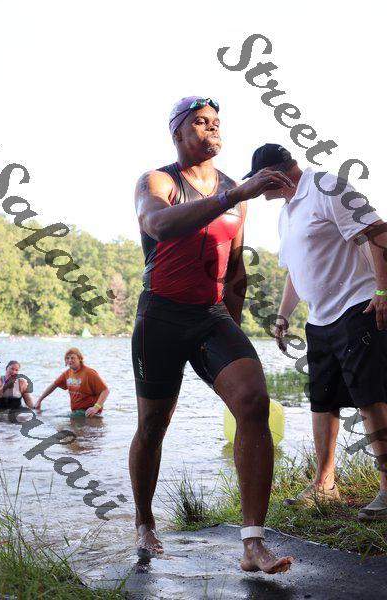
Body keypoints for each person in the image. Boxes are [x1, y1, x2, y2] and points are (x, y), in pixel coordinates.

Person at [130, 96, 295, 574]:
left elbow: (236, 269)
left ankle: (252, 544)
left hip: (211, 316)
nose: (212, 129)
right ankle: (144, 522)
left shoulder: (233, 191)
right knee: (153, 425)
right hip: (160, 316)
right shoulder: (159, 181)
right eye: (201, 123)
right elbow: (158, 224)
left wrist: (232, 334)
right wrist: (232, 197)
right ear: (178, 134)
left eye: (217, 123)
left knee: (253, 400)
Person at [244, 143, 387, 521]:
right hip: (320, 320)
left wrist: (383, 291)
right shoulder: (287, 212)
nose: (256, 190)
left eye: (258, 181)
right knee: (322, 402)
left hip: (358, 307)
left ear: (274, 175)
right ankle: (325, 484)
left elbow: (377, 232)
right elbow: (297, 270)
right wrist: (282, 314)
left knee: (370, 397)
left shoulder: (327, 186)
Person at [34, 347, 109, 417]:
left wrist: (96, 407)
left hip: (91, 414)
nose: (69, 360)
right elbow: (53, 386)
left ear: (80, 359)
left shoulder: (89, 373)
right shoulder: (67, 373)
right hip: (76, 412)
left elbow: (105, 390)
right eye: (67, 358)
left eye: (72, 358)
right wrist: (39, 400)